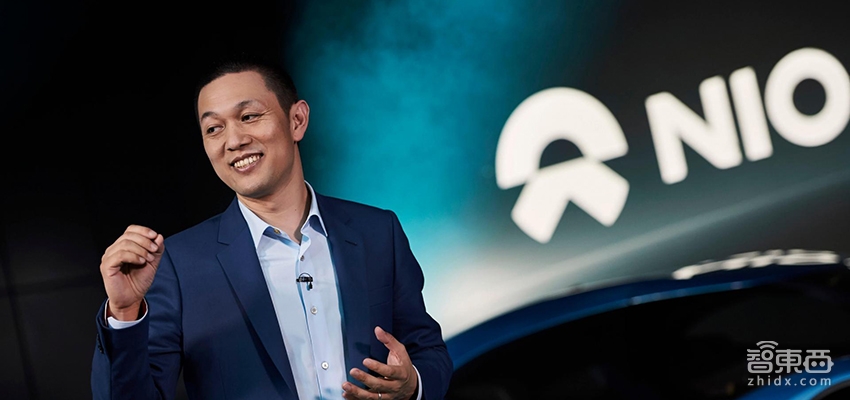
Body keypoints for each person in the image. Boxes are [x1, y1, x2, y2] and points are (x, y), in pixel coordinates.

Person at [91, 57, 453, 400]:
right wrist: (124, 314)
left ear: (297, 120)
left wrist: (412, 386)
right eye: (214, 128)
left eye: (249, 116)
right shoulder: (178, 264)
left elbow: (428, 351)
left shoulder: (377, 232)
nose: (233, 141)